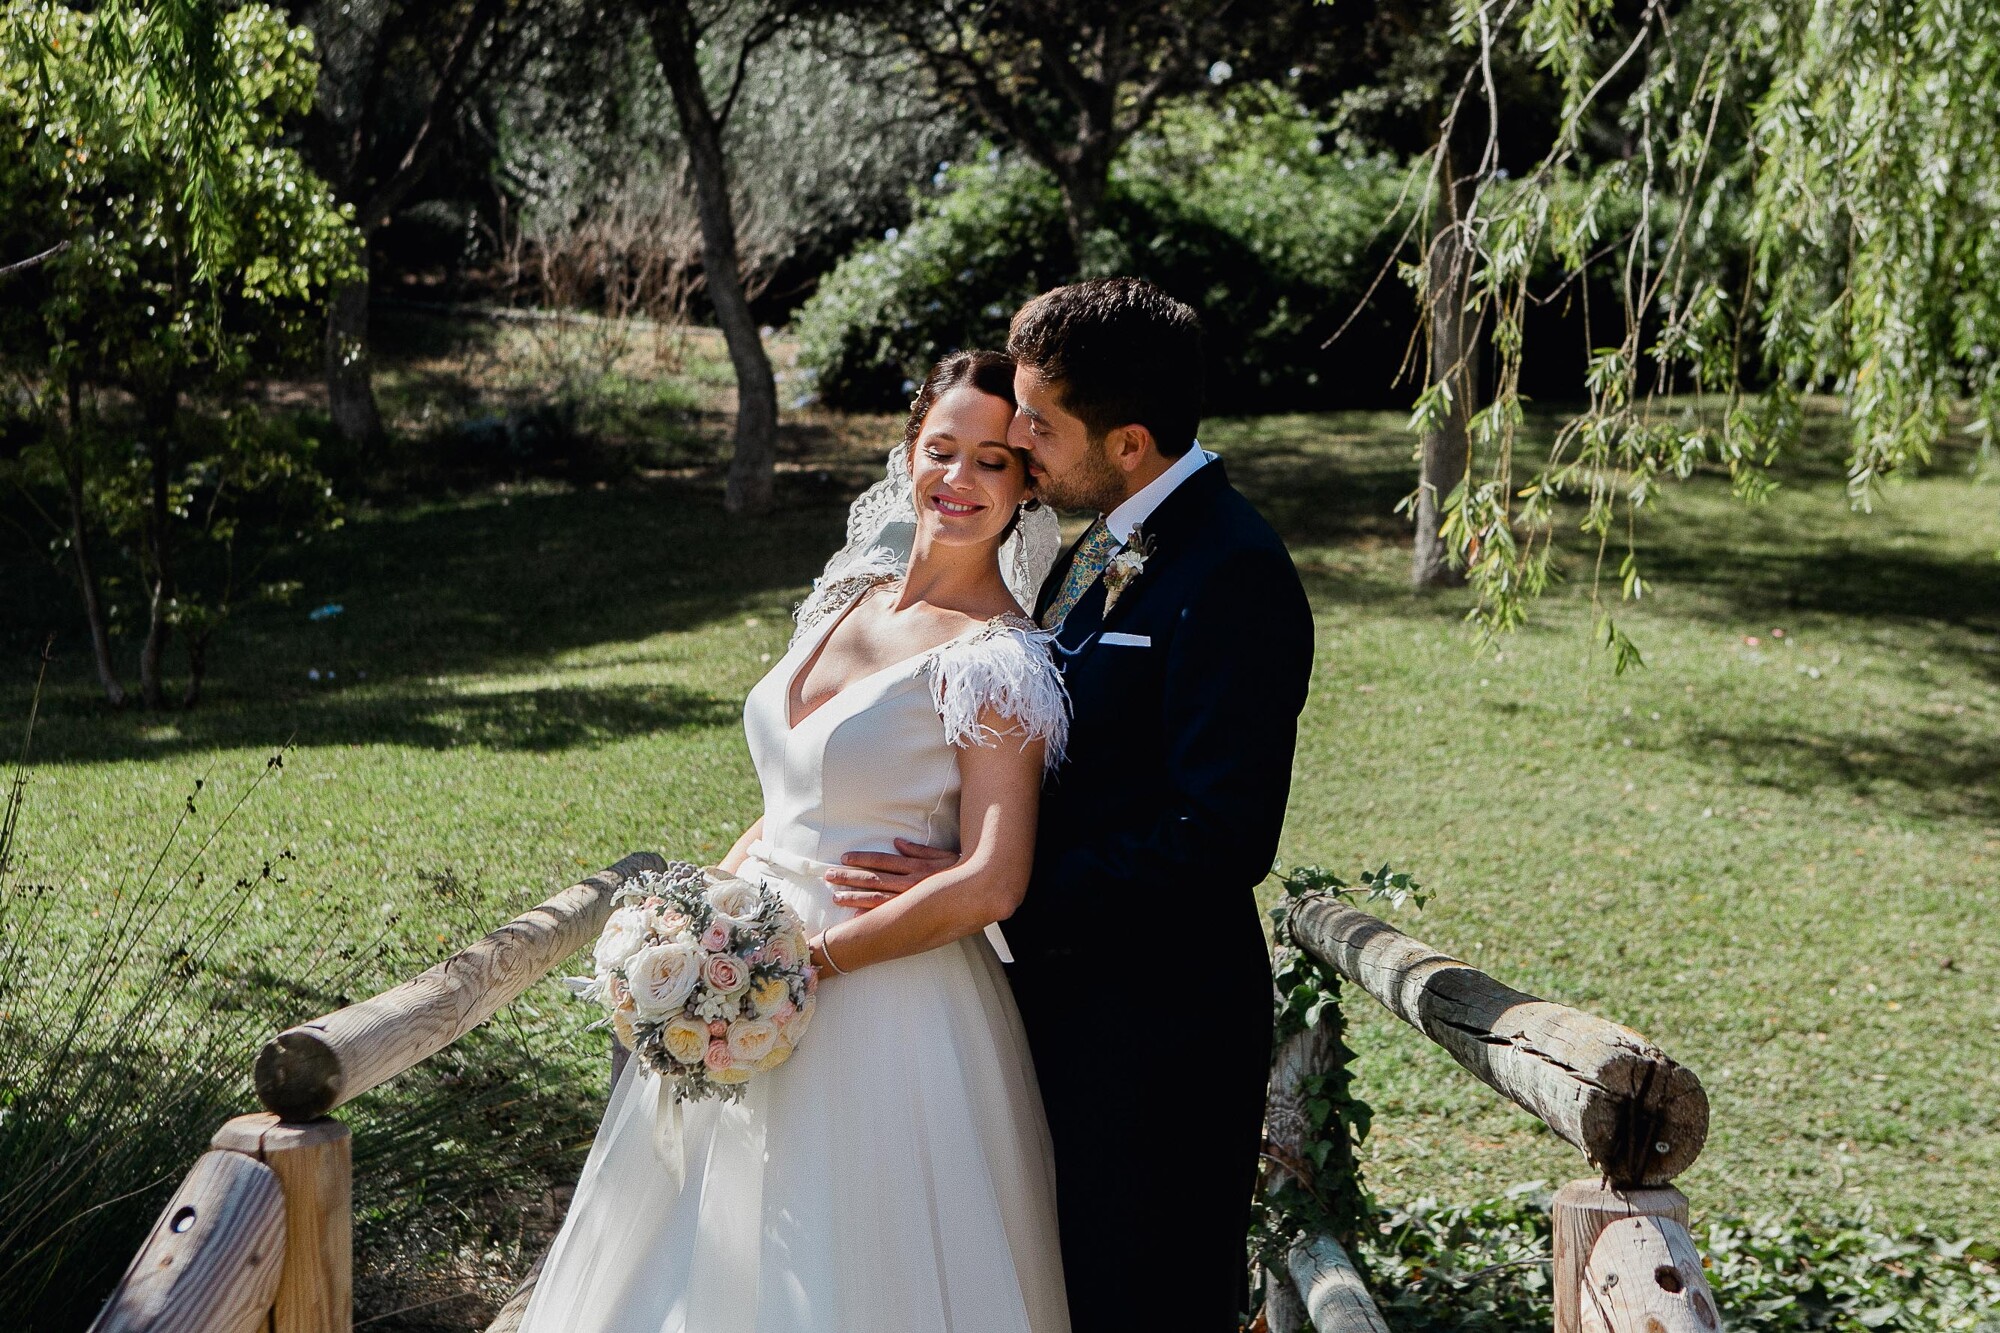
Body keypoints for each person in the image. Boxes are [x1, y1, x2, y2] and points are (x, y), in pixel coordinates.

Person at [517, 350, 1074, 1333]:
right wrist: (693, 926)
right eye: (940, 449)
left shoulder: (996, 658)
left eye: (993, 462)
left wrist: (800, 963)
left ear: (1027, 484)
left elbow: (991, 881)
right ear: (906, 451)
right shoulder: (848, 598)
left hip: (884, 1002)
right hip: (738, 963)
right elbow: (790, 796)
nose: (958, 481)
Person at [828, 279, 1316, 1331]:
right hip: (1054, 1015)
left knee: (1144, 1298)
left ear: (1128, 441)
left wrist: (996, 889)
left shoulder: (1231, 569)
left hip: (1157, 1042)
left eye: (1038, 426)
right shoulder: (1085, 544)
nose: (1019, 437)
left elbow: (1217, 834)